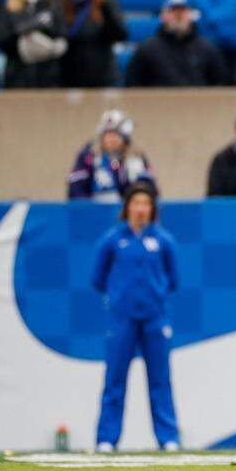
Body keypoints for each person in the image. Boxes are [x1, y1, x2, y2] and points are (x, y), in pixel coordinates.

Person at [91, 182, 179, 452]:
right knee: (114, 379)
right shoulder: (112, 240)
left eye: (146, 203)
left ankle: (168, 438)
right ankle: (107, 438)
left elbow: (173, 279)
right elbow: (97, 278)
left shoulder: (163, 240)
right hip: (122, 319)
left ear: (152, 208)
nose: (141, 209)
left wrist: (155, 297)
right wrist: (120, 299)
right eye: (136, 203)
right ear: (127, 207)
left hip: (154, 318)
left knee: (160, 380)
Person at [125, 0, 228, 87]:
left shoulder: (207, 49)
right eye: (173, 11)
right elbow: (132, 86)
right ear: (162, 15)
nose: (178, 16)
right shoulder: (147, 49)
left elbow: (220, 85)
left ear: (191, 15)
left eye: (183, 11)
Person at [0, 0, 66, 88]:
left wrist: (36, 36)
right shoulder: (9, 8)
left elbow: (62, 36)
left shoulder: (54, 6)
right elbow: (1, 40)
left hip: (48, 77)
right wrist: (24, 41)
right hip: (17, 76)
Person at [56, 0, 127, 87]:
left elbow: (121, 34)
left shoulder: (106, 2)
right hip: (70, 75)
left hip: (103, 74)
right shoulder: (60, 4)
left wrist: (107, 11)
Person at [68, 110, 157, 201]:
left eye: (116, 134)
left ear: (125, 137)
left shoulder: (137, 158)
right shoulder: (89, 157)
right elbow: (76, 190)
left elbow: (149, 190)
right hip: (94, 212)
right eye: (108, 134)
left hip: (127, 212)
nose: (111, 139)